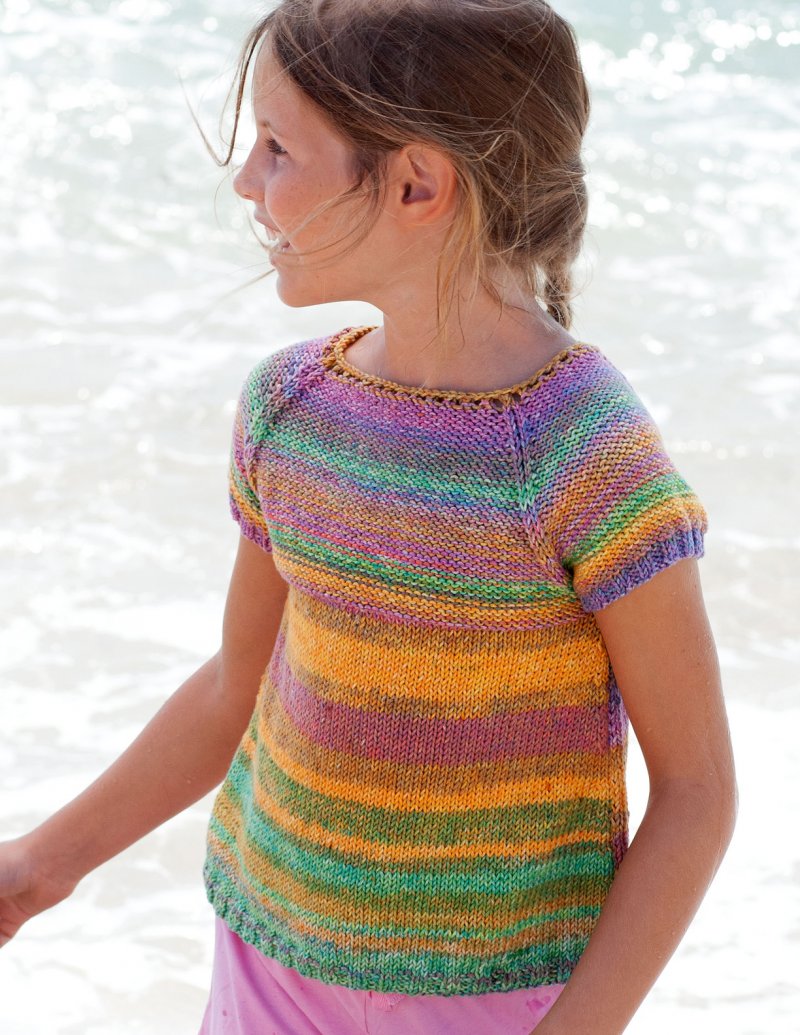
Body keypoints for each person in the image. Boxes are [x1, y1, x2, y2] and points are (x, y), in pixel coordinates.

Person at [0, 1, 738, 1033]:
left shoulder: (582, 455)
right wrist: (38, 868)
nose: (246, 181)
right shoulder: (290, 406)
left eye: (276, 148)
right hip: (269, 962)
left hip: (493, 1000)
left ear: (415, 184)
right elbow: (235, 684)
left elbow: (697, 793)